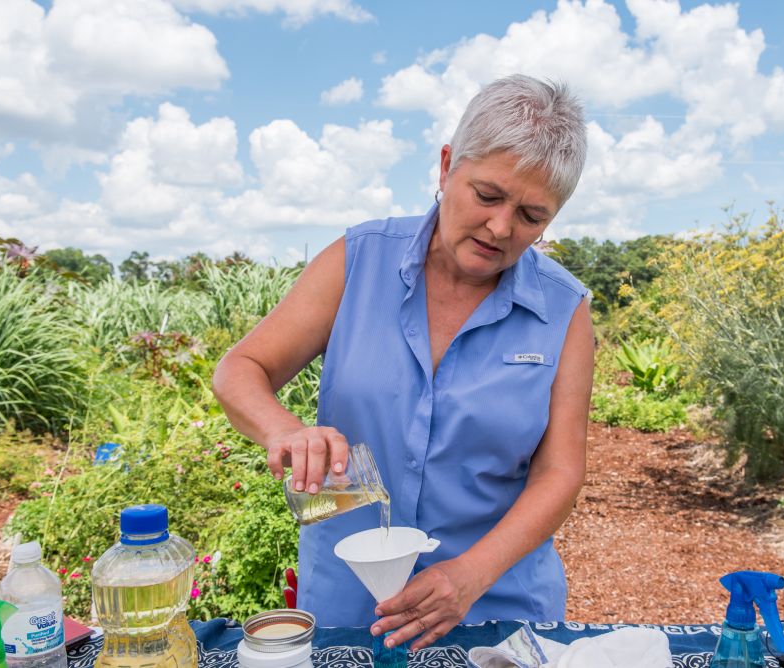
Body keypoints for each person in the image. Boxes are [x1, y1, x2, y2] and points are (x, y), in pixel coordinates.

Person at [212, 74, 593, 651]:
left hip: (497, 607)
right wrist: (285, 430)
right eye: (487, 195)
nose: (500, 228)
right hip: (349, 600)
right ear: (446, 167)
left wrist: (469, 575)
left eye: (532, 216)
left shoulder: (564, 311)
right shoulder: (356, 261)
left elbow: (559, 474)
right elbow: (241, 368)